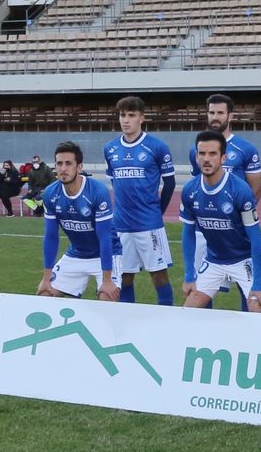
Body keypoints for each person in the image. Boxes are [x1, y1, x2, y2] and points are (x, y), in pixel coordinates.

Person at [179, 131, 261, 311]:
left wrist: (258, 281)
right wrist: (189, 275)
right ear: (196, 157)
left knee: (258, 309)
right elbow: (188, 233)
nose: (206, 159)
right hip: (214, 260)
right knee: (188, 312)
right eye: (202, 154)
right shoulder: (189, 190)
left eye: (212, 154)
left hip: (244, 260)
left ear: (223, 158)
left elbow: (256, 237)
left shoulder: (240, 190)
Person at [188, 93, 261, 309]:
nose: (215, 117)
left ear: (231, 116)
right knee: (202, 288)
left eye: (220, 113)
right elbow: (198, 184)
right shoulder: (198, 148)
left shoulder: (246, 149)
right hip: (206, 229)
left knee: (246, 288)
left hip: (237, 231)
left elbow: (255, 189)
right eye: (212, 112)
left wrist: (236, 220)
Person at [101, 95, 176, 306]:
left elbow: (169, 184)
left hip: (149, 224)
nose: (125, 120)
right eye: (122, 115)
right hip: (121, 225)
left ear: (141, 118)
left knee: (159, 276)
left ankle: (167, 318)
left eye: (131, 115)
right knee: (124, 277)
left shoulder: (157, 147)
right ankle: (127, 323)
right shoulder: (110, 149)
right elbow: (115, 183)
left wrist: (156, 212)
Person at [36, 141, 118, 300]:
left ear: (79, 167)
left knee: (106, 297)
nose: (63, 169)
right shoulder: (50, 194)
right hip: (77, 253)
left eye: (68, 164)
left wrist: (107, 280)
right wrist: (46, 279)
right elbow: (51, 237)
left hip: (108, 254)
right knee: (45, 294)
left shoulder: (97, 191)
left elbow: (105, 237)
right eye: (59, 163)